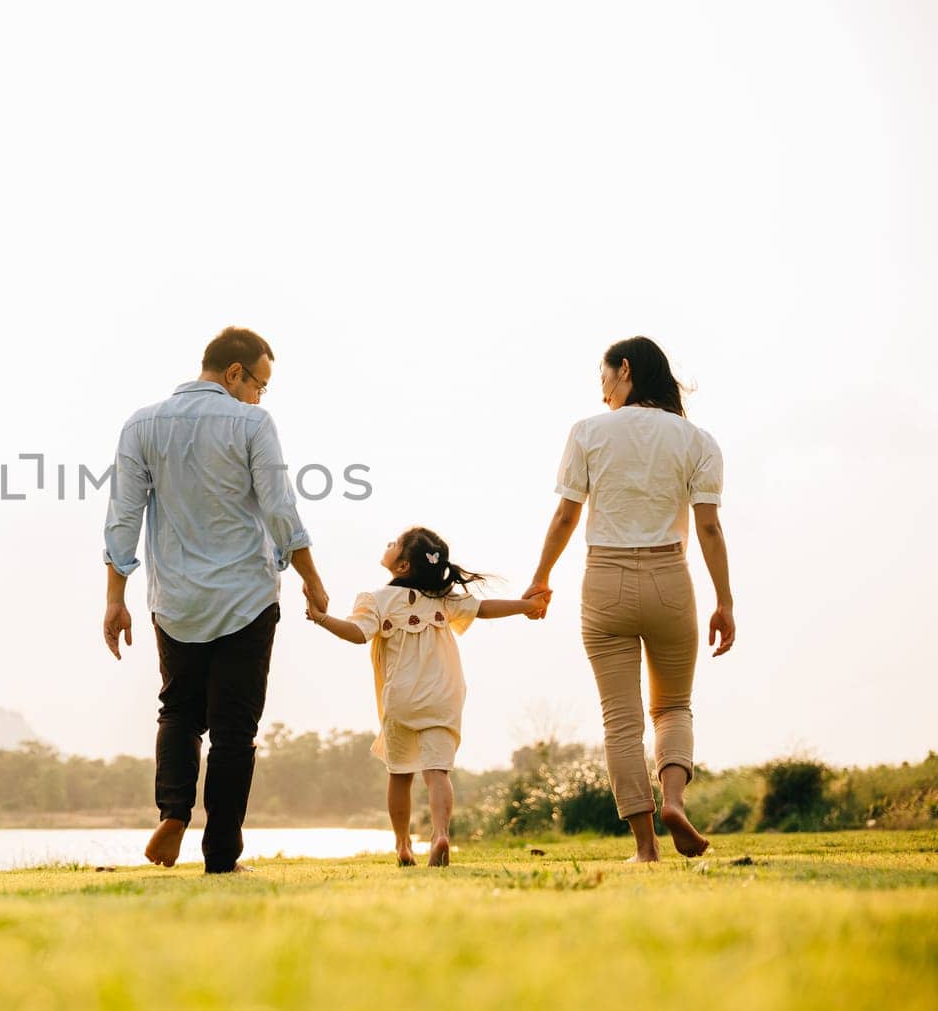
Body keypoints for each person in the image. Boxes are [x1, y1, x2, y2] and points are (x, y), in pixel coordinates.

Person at [102, 326, 330, 874]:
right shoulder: (252, 422)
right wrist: (311, 578)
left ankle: (173, 811)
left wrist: (115, 599)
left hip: (174, 599)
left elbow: (123, 517)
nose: (259, 396)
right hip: (246, 598)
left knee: (178, 710)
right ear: (234, 373)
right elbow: (279, 509)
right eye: (260, 384)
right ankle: (221, 856)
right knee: (235, 731)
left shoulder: (141, 424)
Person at [523, 336, 735, 862]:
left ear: (624, 370)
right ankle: (676, 801)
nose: (601, 394)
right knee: (673, 707)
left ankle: (646, 848)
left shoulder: (588, 432)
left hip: (604, 581)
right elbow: (708, 528)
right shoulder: (697, 440)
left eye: (603, 379)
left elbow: (567, 517)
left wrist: (541, 578)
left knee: (621, 721)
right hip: (670, 577)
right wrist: (724, 602)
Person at [307, 526, 546, 866]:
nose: (388, 543)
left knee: (400, 774)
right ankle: (440, 834)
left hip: (401, 698)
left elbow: (357, 634)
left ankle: (403, 845)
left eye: (395, 543)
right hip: (443, 694)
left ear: (403, 566)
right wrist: (526, 605)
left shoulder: (375, 599)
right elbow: (484, 608)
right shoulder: (443, 596)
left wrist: (321, 618)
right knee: (438, 772)